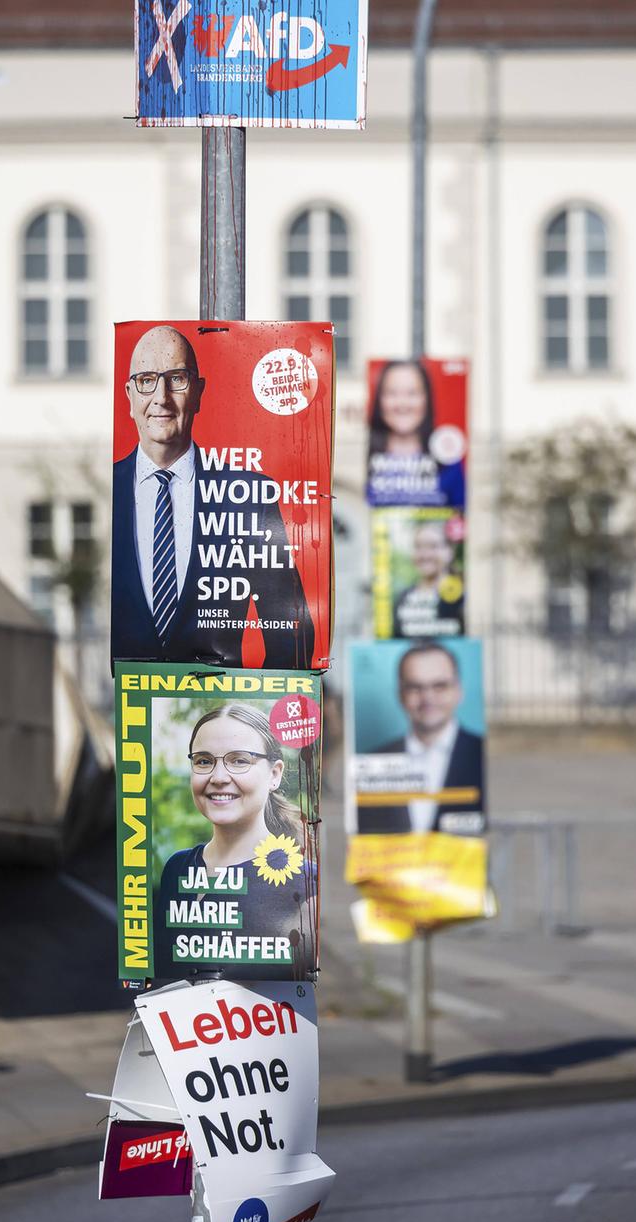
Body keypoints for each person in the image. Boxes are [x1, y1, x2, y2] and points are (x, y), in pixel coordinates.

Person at [112, 325, 314, 667]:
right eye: (147, 380)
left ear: (199, 393)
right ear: (130, 395)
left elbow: (292, 635)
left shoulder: (249, 495)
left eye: (176, 378)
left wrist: (249, 704)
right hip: (129, 708)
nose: (161, 397)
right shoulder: (110, 488)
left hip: (221, 710)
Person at [154, 703, 317, 981]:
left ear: (274, 775)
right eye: (204, 761)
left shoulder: (304, 882)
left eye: (239, 760)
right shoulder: (177, 868)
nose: (218, 778)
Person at [357, 642, 485, 836]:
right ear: (400, 694)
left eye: (439, 686)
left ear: (458, 690)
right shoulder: (371, 762)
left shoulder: (479, 753)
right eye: (415, 687)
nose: (428, 698)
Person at [366, 360, 464, 508]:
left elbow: (460, 515)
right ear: (379, 400)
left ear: (426, 399)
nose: (402, 403)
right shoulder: (367, 459)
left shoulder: (449, 465)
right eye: (391, 393)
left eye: (412, 393)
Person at [392, 521, 464, 638]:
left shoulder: (463, 597)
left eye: (433, 546)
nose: (425, 555)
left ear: (450, 551)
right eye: (418, 547)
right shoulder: (403, 599)